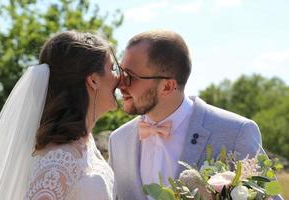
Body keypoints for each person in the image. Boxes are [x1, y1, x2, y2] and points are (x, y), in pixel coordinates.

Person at [108, 30, 282, 200]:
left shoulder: (236, 132)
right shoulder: (118, 140)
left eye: (130, 76)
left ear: (167, 86)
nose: (120, 83)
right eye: (120, 71)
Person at [0, 30, 120, 200]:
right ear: (93, 80)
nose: (120, 78)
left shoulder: (85, 143)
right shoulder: (57, 162)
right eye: (112, 68)